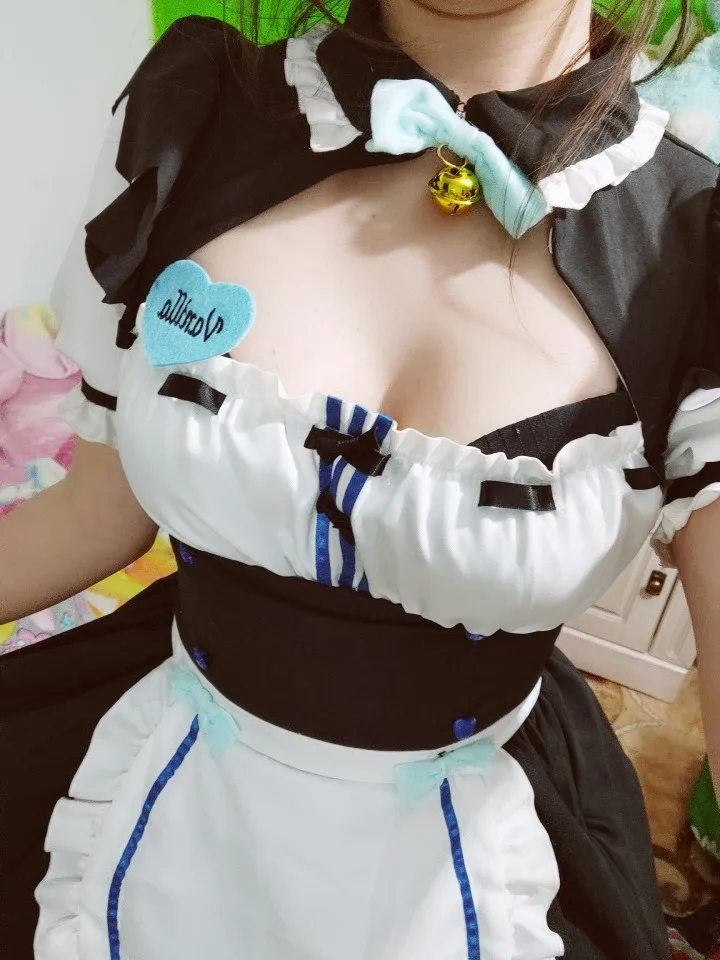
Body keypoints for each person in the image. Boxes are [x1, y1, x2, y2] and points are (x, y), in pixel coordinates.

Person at [1, 0, 719, 956]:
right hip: (157, 767)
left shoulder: (695, 237)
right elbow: (97, 513)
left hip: (480, 850)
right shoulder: (190, 114)